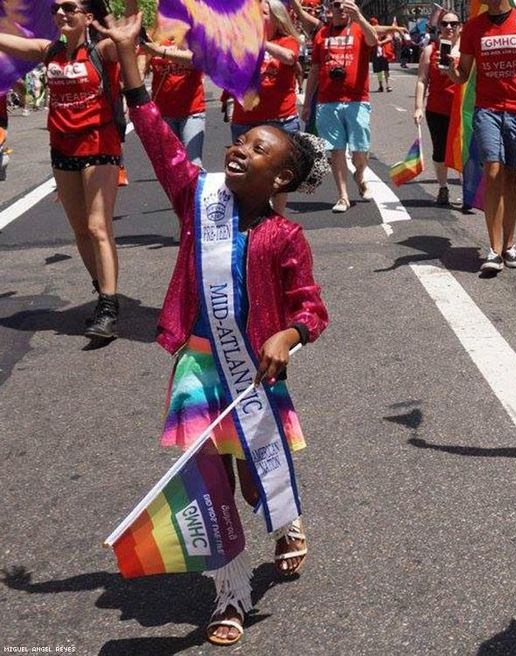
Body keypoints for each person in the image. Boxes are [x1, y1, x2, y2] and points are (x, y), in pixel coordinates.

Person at [97, 10, 330, 646]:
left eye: (258, 148)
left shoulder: (286, 237)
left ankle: (284, 521)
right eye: (239, 139)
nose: (238, 147)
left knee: (260, 473)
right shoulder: (198, 201)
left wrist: (290, 335)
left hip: (254, 373)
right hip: (200, 370)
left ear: (280, 178)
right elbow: (158, 140)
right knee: (212, 485)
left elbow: (312, 307)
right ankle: (230, 591)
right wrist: (129, 66)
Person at [0, 0, 126, 341]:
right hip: (63, 150)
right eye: (56, 7)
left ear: (87, 16)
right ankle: (103, 290)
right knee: (81, 230)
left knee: (98, 226)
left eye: (69, 7)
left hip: (100, 147)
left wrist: (121, 15)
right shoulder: (48, 51)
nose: (60, 12)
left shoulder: (103, 50)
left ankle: (109, 308)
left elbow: (128, 37)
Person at [449, 0, 516, 273]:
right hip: (488, 111)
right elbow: (463, 76)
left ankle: (509, 244)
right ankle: (494, 250)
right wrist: (451, 70)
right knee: (493, 171)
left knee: (512, 177)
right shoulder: (473, 29)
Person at [226, 0, 305, 215]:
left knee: (279, 178)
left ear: (276, 18)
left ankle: (277, 219)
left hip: (280, 120)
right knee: (244, 176)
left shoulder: (288, 41)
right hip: (247, 121)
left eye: (262, 14)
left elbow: (289, 58)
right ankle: (248, 222)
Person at [302, 0, 379, 214]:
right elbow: (315, 72)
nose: (342, 8)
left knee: (360, 151)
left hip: (357, 100)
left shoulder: (359, 29)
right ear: (330, 8)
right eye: (337, 4)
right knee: (336, 150)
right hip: (327, 102)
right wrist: (308, 103)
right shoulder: (321, 35)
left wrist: (360, 17)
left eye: (348, 3)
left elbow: (373, 40)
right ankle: (343, 196)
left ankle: (359, 174)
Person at [414, 11, 461, 207]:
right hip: (437, 109)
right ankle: (443, 187)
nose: (449, 28)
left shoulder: (467, 50)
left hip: (462, 109)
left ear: (460, 26)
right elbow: (422, 80)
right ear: (439, 27)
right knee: (440, 151)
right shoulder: (430, 50)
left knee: (463, 151)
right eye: (444, 24)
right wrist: (418, 107)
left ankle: (468, 190)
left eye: (453, 24)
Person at [140, 36, 206, 166]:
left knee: (194, 164)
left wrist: (159, 52)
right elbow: (139, 73)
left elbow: (195, 60)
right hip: (163, 113)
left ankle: (196, 186)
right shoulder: (153, 39)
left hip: (192, 111)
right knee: (172, 166)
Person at [370, 17, 395, 92]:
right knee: (378, 70)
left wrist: (382, 42)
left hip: (383, 52)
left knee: (386, 69)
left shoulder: (382, 30)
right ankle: (381, 85)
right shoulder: (369, 30)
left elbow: (389, 38)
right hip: (375, 53)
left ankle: (388, 85)